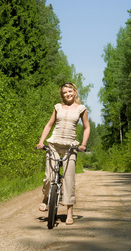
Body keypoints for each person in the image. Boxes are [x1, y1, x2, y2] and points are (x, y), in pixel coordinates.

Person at [36, 82, 90, 225]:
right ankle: (46, 197)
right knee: (49, 177)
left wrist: (83, 144)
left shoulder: (81, 109)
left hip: (71, 147)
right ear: (62, 94)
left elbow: (86, 128)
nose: (68, 94)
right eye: (65, 92)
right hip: (53, 144)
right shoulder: (57, 107)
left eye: (70, 91)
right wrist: (41, 142)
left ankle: (69, 213)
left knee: (69, 180)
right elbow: (49, 125)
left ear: (75, 92)